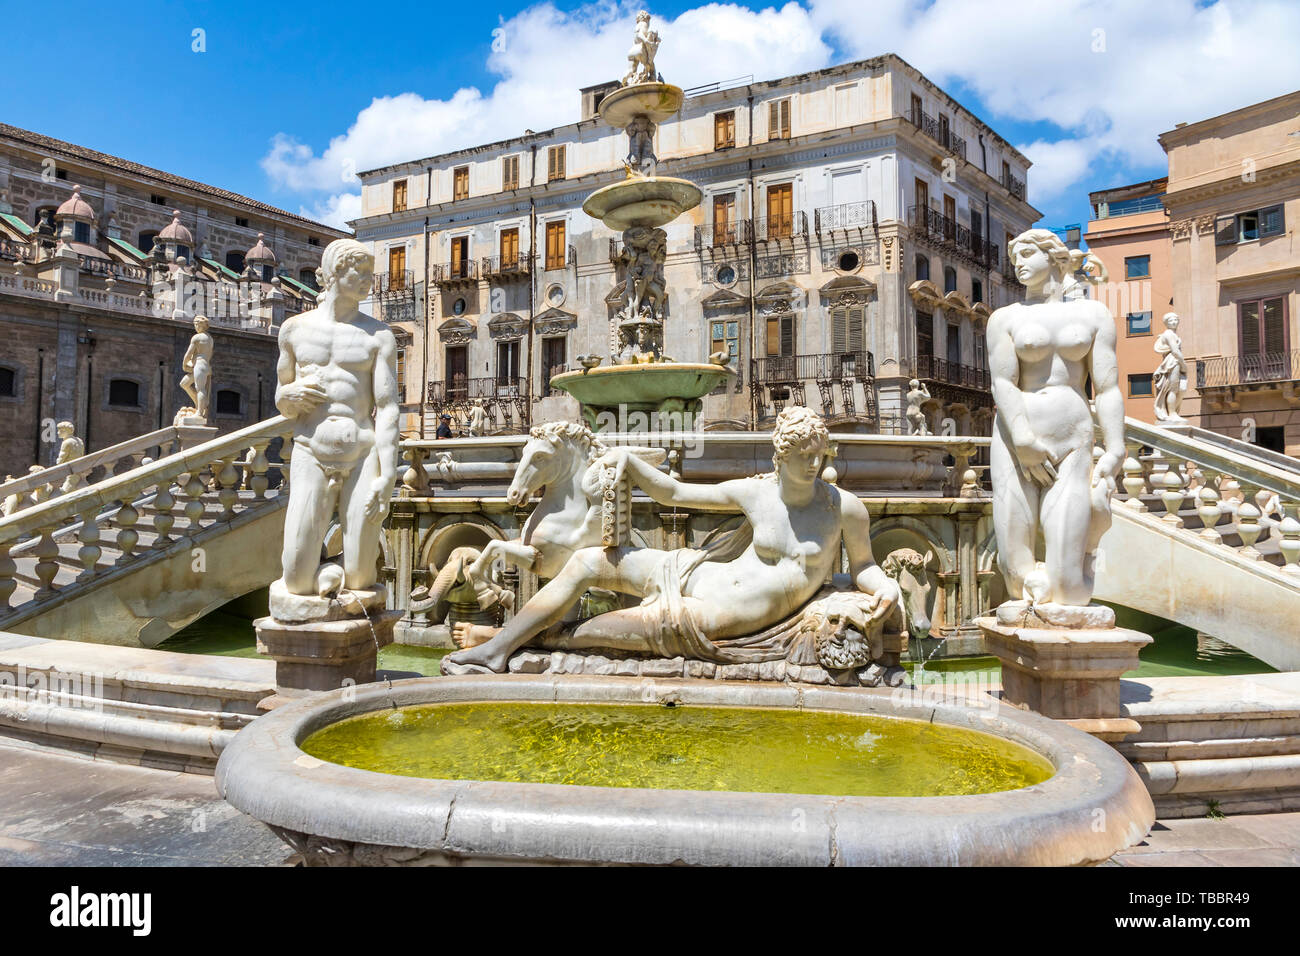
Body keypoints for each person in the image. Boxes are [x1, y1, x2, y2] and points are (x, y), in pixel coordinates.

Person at [444, 405, 900, 674]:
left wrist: (884, 585)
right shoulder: (755, 492)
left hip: (718, 614)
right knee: (586, 562)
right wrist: (629, 460)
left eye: (819, 456)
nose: (813, 466)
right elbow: (677, 492)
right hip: (698, 573)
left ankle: (525, 640)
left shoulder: (842, 506)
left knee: (607, 634)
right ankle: (497, 650)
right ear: (781, 455)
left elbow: (863, 565)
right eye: (803, 456)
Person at [987, 228, 1122, 608]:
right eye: (1015, 258)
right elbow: (1003, 382)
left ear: (1053, 256)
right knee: (1017, 577)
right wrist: (1025, 440)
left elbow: (1108, 388)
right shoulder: (1004, 318)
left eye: (1028, 254)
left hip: (1072, 441)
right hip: (1016, 442)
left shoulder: (1093, 314)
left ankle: (1089, 543)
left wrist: (1116, 446)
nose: (1019, 264)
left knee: (1068, 590)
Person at [274, 238, 399, 597]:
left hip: (362, 453)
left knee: (362, 578)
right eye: (359, 273)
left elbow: (388, 407)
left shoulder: (378, 336)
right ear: (332, 274)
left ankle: (334, 575)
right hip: (310, 449)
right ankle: (322, 574)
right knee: (296, 581)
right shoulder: (294, 330)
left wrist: (388, 474)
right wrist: (288, 395)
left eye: (369, 275)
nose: (368, 282)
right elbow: (282, 398)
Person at [1152, 312, 1188, 423]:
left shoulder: (1174, 334)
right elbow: (1175, 351)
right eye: (1170, 321)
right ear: (1166, 323)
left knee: (1182, 389)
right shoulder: (1169, 334)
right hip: (1172, 362)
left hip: (1175, 362)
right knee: (1173, 389)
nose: (1173, 322)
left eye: (1175, 320)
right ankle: (1172, 413)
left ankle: (1172, 411)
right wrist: (1183, 365)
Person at [179, 315, 214, 421]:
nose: (195, 327)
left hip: (199, 365)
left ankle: (199, 412)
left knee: (200, 389)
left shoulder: (197, 337)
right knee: (184, 384)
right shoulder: (210, 338)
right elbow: (210, 354)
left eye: (196, 324)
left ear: (200, 325)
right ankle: (200, 405)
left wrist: (184, 365)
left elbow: (188, 354)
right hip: (206, 366)